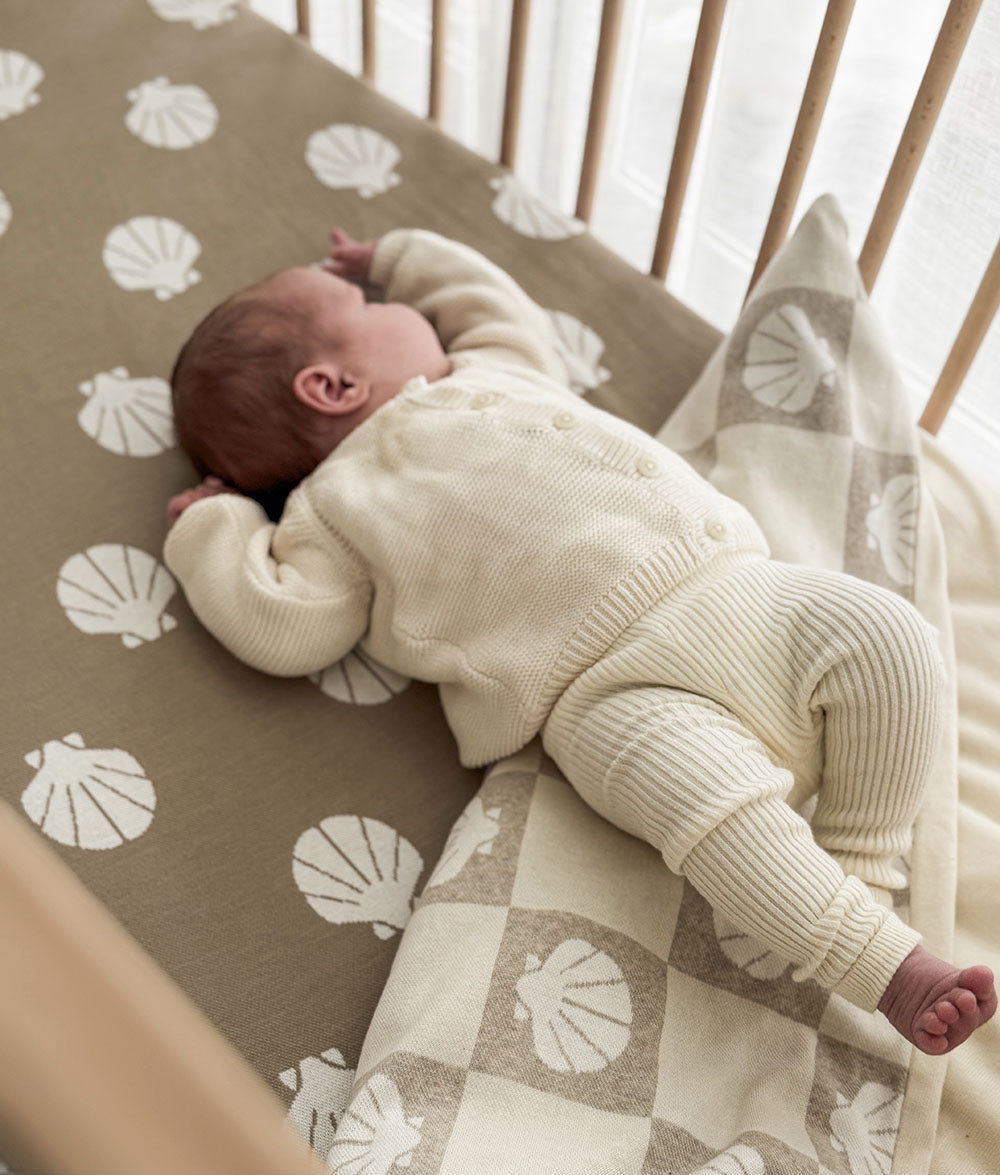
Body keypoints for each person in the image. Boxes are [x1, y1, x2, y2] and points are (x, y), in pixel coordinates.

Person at [165, 226, 996, 1055]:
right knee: (710, 808)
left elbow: (492, 303)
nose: (405, 309)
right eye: (372, 306)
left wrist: (399, 256)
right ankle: (887, 966)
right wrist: (215, 527)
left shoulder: (494, 369)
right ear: (332, 383)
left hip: (734, 591)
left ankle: (860, 859)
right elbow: (284, 625)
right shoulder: (330, 515)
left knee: (889, 636)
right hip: (602, 693)